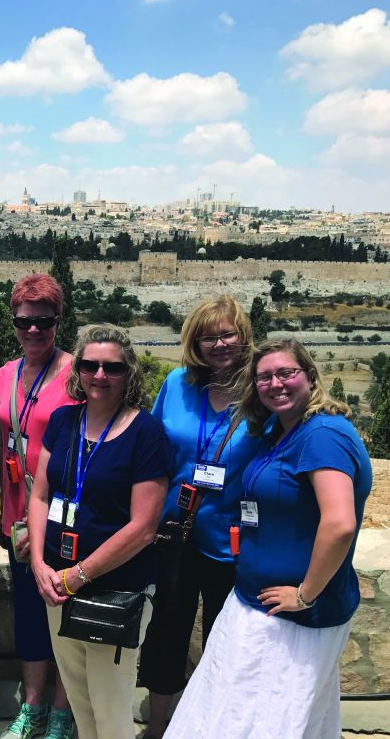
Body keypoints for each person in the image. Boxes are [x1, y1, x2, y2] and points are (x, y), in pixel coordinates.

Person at [164, 338, 372, 739]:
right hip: (256, 602)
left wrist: (305, 594)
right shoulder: (281, 429)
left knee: (259, 721)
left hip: (294, 617)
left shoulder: (323, 434)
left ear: (310, 377)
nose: (275, 383)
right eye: (264, 377)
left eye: (286, 373)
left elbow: (340, 522)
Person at [28, 324, 170, 739]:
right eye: (90, 365)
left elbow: (144, 527)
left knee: (110, 707)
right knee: (77, 696)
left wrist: (80, 575)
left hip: (114, 589)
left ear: (129, 373)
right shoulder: (62, 421)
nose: (100, 376)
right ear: (79, 370)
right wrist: (39, 563)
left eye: (113, 367)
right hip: (56, 583)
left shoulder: (146, 434)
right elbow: (39, 496)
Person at [138, 296, 264, 739]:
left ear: (243, 336)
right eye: (208, 336)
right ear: (194, 342)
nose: (219, 344)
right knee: (165, 634)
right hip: (173, 533)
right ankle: (158, 727)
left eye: (227, 333)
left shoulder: (259, 391)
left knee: (224, 641)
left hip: (232, 541)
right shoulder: (176, 383)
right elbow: (151, 448)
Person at [0, 274, 77, 739]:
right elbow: (4, 439)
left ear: (57, 321)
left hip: (63, 517)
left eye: (44, 321)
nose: (34, 330)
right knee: (28, 615)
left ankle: (62, 713)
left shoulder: (79, 372)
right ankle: (34, 707)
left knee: (62, 614)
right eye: (25, 322)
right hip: (18, 519)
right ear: (15, 322)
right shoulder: (5, 374)